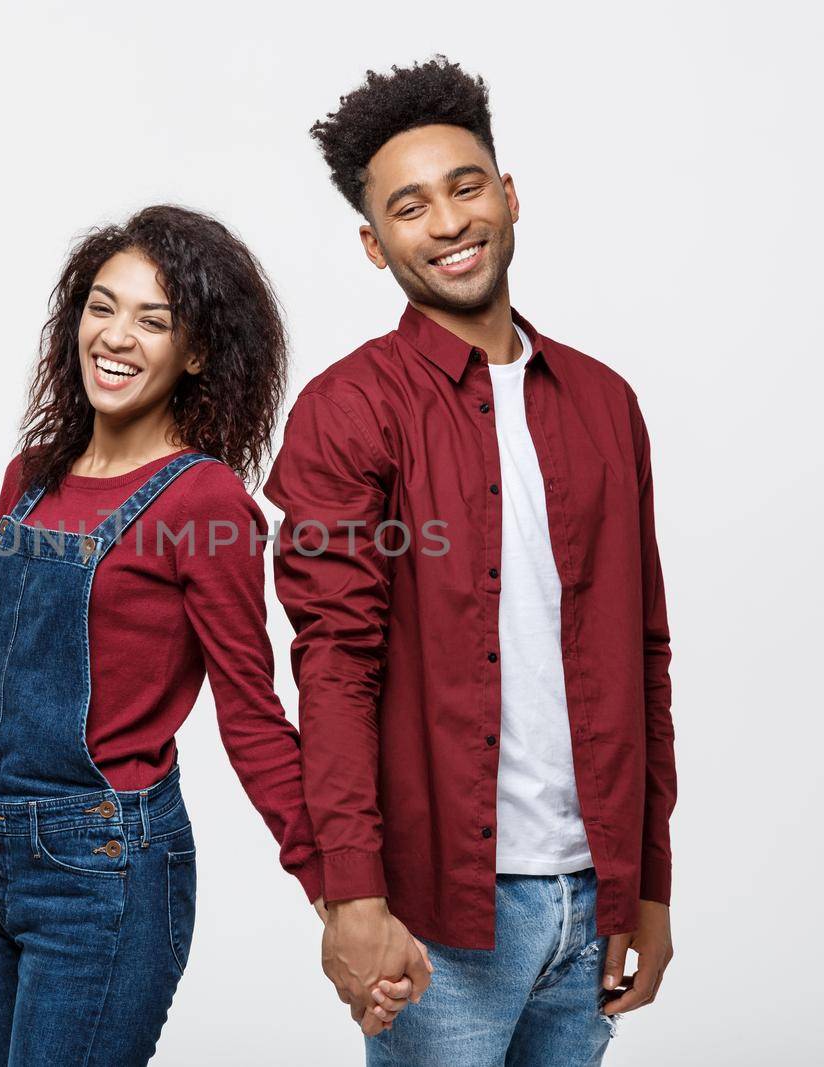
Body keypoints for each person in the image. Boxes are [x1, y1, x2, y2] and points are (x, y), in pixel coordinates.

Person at [0, 204, 421, 1065]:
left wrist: (339, 898)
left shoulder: (203, 503)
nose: (117, 335)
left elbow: (252, 717)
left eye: (155, 319)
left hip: (106, 871)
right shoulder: (28, 481)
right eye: (102, 306)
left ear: (198, 352)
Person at [263, 57, 679, 1064]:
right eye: (409, 207)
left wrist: (649, 880)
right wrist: (352, 893)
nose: (447, 223)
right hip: (440, 910)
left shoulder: (604, 402)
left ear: (508, 193)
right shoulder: (349, 409)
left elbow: (644, 653)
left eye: (465, 186)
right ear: (373, 243)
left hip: (594, 899)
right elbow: (334, 664)